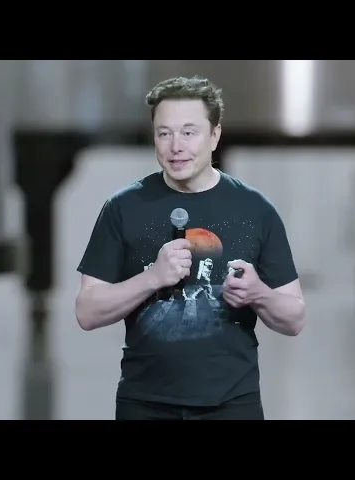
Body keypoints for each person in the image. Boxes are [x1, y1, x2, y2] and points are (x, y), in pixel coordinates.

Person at [75, 75, 306, 420]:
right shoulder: (123, 208)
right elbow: (87, 312)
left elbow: (295, 318)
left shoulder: (256, 210)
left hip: (231, 405)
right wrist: (152, 278)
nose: (175, 146)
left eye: (188, 132)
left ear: (214, 135)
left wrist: (259, 293)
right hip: (144, 403)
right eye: (164, 133)